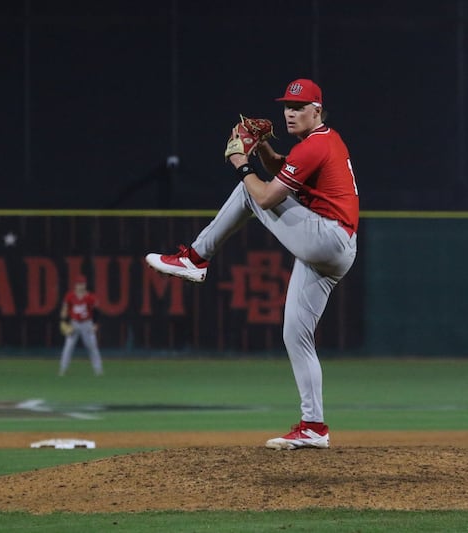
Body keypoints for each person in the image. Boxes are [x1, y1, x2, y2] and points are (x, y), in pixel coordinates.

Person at [145, 78, 359, 450]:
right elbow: (282, 169)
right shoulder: (323, 141)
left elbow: (264, 197)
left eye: (299, 107)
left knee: (248, 191)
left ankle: (196, 258)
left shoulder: (315, 145)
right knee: (296, 335)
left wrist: (241, 163)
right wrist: (262, 147)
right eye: (287, 107)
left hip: (327, 237)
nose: (290, 113)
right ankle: (314, 426)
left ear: (317, 111)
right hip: (335, 247)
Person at [59, 275, 104, 376]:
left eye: (82, 284)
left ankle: (98, 370)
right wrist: (63, 321)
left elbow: (97, 312)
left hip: (87, 324)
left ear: (85, 285)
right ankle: (62, 370)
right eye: (79, 284)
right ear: (75, 285)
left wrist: (96, 324)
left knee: (92, 347)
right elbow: (65, 309)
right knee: (68, 347)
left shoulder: (90, 297)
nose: (81, 286)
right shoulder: (70, 296)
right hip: (74, 324)